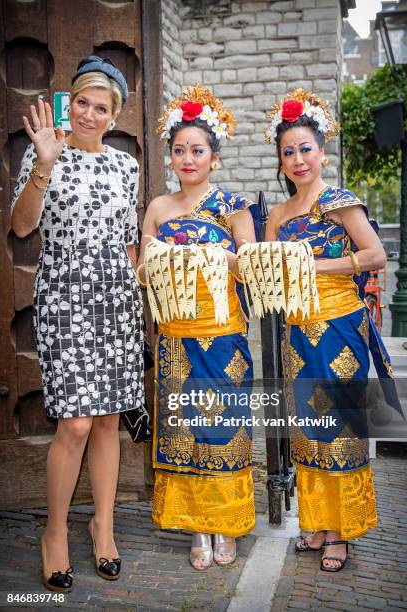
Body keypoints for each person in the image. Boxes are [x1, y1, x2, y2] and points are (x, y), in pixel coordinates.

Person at [11, 56, 146, 591]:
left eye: (102, 107)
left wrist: (148, 277)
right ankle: (56, 533)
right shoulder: (44, 151)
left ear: (114, 116)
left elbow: (129, 240)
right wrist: (43, 163)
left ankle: (104, 525)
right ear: (71, 103)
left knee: (110, 419)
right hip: (65, 294)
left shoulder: (126, 167)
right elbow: (22, 227)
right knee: (76, 423)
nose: (90, 114)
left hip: (117, 297)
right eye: (83, 103)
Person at [264, 89, 397, 572]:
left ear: (322, 152)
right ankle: (315, 522)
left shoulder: (340, 201)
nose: (298, 159)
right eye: (288, 152)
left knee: (340, 428)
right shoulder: (277, 216)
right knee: (307, 430)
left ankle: (341, 532)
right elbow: (269, 267)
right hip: (296, 331)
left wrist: (313, 265)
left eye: (305, 149)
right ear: (280, 160)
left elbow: (375, 255)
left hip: (340, 327)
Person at [136, 85, 256, 570]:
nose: (188, 158)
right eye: (179, 150)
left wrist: (213, 254)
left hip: (223, 330)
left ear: (215, 158)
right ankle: (196, 526)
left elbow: (249, 265)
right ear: (170, 157)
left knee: (222, 427)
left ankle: (225, 523)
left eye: (197, 150)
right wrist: (163, 258)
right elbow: (143, 271)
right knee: (185, 429)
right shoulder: (159, 208)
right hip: (176, 335)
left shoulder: (233, 206)